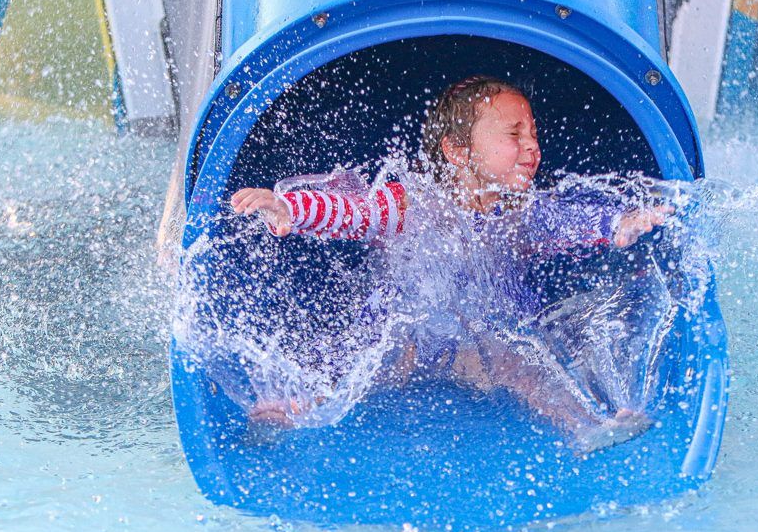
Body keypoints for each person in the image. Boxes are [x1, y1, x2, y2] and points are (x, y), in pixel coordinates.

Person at [228, 75, 672, 453]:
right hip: (406, 340)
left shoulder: (524, 212)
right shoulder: (412, 203)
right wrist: (292, 209)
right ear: (458, 151)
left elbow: (570, 217)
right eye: (514, 135)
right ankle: (295, 406)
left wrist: (620, 222)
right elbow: (355, 212)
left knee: (527, 364)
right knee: (353, 353)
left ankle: (586, 426)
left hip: (482, 348)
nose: (532, 147)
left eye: (534, 134)